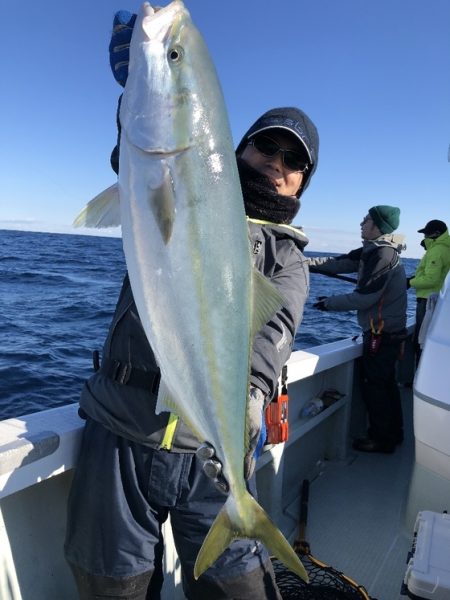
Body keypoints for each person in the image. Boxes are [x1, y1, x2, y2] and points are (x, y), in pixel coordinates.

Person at [64, 10, 320, 600]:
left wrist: (250, 401)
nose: (277, 164)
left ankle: (243, 509)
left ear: (303, 183)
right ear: (236, 147)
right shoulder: (175, 180)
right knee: (112, 589)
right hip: (121, 432)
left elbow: (272, 332)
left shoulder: (286, 258)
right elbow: (145, 154)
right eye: (265, 147)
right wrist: (140, 83)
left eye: (294, 161)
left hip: (211, 458)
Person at [309, 205, 407, 454]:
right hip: (386, 333)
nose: (361, 224)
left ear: (378, 227)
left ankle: (382, 440)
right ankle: (394, 435)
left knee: (376, 387)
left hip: (382, 335)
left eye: (366, 220)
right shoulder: (373, 251)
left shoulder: (382, 256)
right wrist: (304, 263)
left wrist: (328, 304)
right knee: (385, 385)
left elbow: (366, 298)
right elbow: (338, 263)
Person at [407, 219, 450, 363]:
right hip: (439, 301)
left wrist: (409, 282)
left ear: (436, 233)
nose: (424, 236)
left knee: (421, 341)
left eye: (426, 233)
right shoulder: (444, 248)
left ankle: (418, 377)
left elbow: (431, 279)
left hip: (428, 302)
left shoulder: (437, 250)